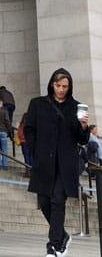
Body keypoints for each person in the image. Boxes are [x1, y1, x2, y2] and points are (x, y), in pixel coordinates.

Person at [25, 68, 89, 257]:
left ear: (70, 87)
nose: (61, 89)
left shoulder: (75, 107)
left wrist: (84, 126)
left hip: (66, 165)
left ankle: (54, 246)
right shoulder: (37, 104)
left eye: (65, 86)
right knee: (44, 201)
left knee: (58, 200)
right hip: (44, 162)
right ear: (52, 84)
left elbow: (82, 139)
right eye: (58, 85)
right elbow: (29, 129)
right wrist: (36, 150)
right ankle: (63, 236)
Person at [17, 112, 32, 177]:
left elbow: (20, 133)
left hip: (24, 142)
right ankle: (31, 170)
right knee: (31, 156)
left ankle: (27, 171)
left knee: (26, 156)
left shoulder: (22, 124)